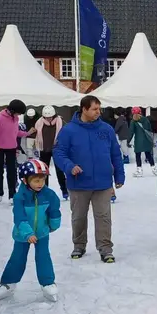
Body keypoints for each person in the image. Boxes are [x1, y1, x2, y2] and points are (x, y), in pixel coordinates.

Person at [53, 95, 125, 262]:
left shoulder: (106, 129)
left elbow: (115, 154)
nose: (98, 112)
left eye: (99, 109)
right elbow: (59, 153)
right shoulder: (68, 130)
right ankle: (79, 245)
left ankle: (105, 248)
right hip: (78, 183)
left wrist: (119, 175)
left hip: (103, 182)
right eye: (94, 109)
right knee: (78, 217)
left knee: (104, 218)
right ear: (84, 109)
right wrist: (69, 166)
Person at [0, 159, 62, 302]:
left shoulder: (49, 194)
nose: (40, 183)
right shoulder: (20, 197)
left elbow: (54, 210)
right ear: (25, 180)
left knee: (43, 257)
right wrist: (28, 233)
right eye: (36, 180)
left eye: (43, 180)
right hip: (22, 234)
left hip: (42, 233)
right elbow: (19, 217)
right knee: (17, 257)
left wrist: (54, 224)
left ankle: (48, 283)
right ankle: (8, 283)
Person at [0, 99, 32, 201]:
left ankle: (12, 194)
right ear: (12, 111)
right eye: (18, 113)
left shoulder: (15, 118)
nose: (19, 115)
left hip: (12, 148)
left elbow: (15, 132)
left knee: (12, 172)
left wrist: (27, 133)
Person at [33, 106, 68, 200]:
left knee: (60, 170)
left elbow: (67, 133)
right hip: (44, 149)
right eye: (46, 117)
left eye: (50, 117)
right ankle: (44, 191)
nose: (48, 119)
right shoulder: (39, 123)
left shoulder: (60, 121)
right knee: (43, 172)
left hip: (57, 149)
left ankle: (64, 190)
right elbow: (35, 134)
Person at [129, 107, 155, 176]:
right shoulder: (146, 119)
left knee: (138, 155)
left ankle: (139, 170)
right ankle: (154, 168)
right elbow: (150, 129)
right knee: (148, 154)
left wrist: (128, 141)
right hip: (147, 140)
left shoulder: (133, 121)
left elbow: (131, 132)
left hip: (138, 141)